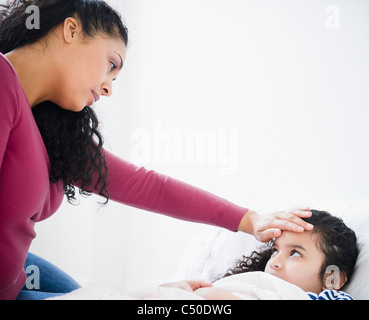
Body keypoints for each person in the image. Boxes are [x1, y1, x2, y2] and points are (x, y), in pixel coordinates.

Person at [0, 0, 313, 300]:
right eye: (111, 64)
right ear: (71, 30)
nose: (108, 87)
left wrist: (252, 220)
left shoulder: (49, 128)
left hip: (19, 275)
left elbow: (147, 186)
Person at [163, 210, 358, 300]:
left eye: (295, 253)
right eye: (275, 251)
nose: (274, 262)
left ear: (331, 277)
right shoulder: (252, 283)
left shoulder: (331, 298)